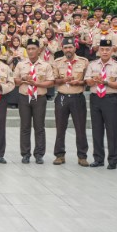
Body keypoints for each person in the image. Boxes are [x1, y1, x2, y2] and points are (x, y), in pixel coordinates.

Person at [84, 39, 117, 169]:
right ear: (99, 51)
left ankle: (113, 160)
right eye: (102, 49)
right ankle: (98, 158)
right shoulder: (92, 64)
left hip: (110, 98)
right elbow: (87, 81)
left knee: (111, 129)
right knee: (97, 129)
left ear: (112, 50)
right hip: (96, 98)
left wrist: (105, 82)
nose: (105, 52)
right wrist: (94, 80)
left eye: (107, 49)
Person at [13, 38, 54, 164]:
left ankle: (39, 154)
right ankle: (25, 154)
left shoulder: (46, 65)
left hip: (39, 98)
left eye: (33, 49)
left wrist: (37, 83)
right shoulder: (21, 64)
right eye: (29, 49)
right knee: (25, 127)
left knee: (39, 127)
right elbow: (15, 81)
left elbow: (51, 82)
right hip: (24, 97)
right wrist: (23, 78)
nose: (31, 51)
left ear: (39, 50)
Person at [51, 37, 90, 166]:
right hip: (62, 96)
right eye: (65, 47)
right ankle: (59, 155)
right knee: (60, 127)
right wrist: (64, 80)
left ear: (75, 48)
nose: (68, 49)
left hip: (77, 96)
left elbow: (88, 80)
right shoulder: (57, 62)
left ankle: (82, 156)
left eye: (70, 47)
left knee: (80, 128)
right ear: (62, 48)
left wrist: (79, 82)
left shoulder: (84, 62)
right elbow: (54, 81)